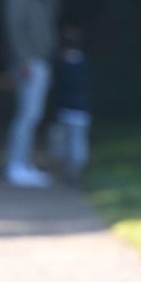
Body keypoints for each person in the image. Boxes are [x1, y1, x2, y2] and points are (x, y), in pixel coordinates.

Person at [2, 0, 58, 187]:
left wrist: (49, 0)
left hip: (39, 61)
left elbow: (48, 24)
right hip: (29, 62)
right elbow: (14, 28)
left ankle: (23, 163)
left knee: (32, 114)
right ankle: (16, 166)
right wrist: (23, 60)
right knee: (27, 114)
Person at [48, 25, 93, 183]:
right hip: (82, 112)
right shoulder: (85, 65)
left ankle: (69, 172)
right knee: (78, 143)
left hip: (66, 111)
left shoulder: (61, 66)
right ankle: (74, 172)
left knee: (65, 144)